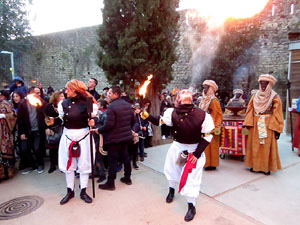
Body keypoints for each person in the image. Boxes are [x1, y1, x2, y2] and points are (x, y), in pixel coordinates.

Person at [141, 89, 214, 222]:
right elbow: (160, 121)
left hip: (194, 151)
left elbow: (208, 136)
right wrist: (146, 116)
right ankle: (171, 190)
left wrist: (197, 154)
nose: (186, 92)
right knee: (173, 171)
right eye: (183, 92)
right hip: (178, 148)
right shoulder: (171, 113)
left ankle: (191, 206)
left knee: (191, 178)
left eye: (188, 92)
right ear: (178, 99)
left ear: (191, 99)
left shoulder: (203, 115)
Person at [47, 79, 98, 204]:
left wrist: (94, 121)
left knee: (84, 164)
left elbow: (95, 117)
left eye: (67, 89)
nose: (65, 91)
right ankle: (70, 191)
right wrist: (53, 121)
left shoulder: (88, 103)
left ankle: (83, 191)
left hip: (83, 135)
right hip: (68, 136)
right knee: (68, 165)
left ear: (74, 90)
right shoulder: (63, 104)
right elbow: (62, 119)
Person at [91, 86, 135, 191]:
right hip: (125, 137)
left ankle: (111, 183)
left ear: (116, 94)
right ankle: (127, 178)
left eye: (110, 93)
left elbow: (108, 125)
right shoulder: (128, 105)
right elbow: (132, 121)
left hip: (114, 138)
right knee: (125, 157)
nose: (108, 95)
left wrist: (98, 130)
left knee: (112, 160)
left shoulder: (111, 107)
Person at [243, 74, 284, 175]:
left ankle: (266, 168)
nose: (263, 86)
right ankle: (254, 166)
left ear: (270, 85)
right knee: (255, 146)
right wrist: (247, 123)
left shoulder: (275, 97)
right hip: (255, 124)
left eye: (265, 84)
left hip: (268, 125)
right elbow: (250, 110)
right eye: (261, 84)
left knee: (265, 147)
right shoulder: (254, 96)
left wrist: (277, 129)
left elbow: (277, 113)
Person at [18, 86, 47, 174]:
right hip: (27, 131)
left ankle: (40, 164)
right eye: (37, 93)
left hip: (38, 129)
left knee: (37, 148)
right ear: (31, 93)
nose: (39, 94)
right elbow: (20, 119)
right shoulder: (23, 103)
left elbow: (46, 110)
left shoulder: (40, 102)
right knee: (24, 149)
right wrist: (22, 132)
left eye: (39, 93)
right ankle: (32, 165)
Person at [199, 80, 223, 170]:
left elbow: (218, 115)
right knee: (204, 146)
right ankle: (205, 163)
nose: (204, 89)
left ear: (211, 89)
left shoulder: (214, 100)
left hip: (211, 127)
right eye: (204, 87)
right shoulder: (203, 100)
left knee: (212, 146)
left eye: (206, 87)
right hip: (203, 126)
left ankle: (212, 164)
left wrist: (216, 127)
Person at [44, 91, 65, 173]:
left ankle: (61, 165)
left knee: (61, 148)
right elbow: (45, 118)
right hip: (52, 128)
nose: (63, 98)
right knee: (52, 148)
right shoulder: (48, 106)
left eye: (63, 96)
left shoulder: (64, 105)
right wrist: (47, 128)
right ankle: (52, 165)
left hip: (61, 128)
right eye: (61, 96)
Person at [0, 91, 17, 180]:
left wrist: (4, 116)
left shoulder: (5, 104)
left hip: (4, 132)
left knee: (6, 151)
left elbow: (13, 115)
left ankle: (8, 172)